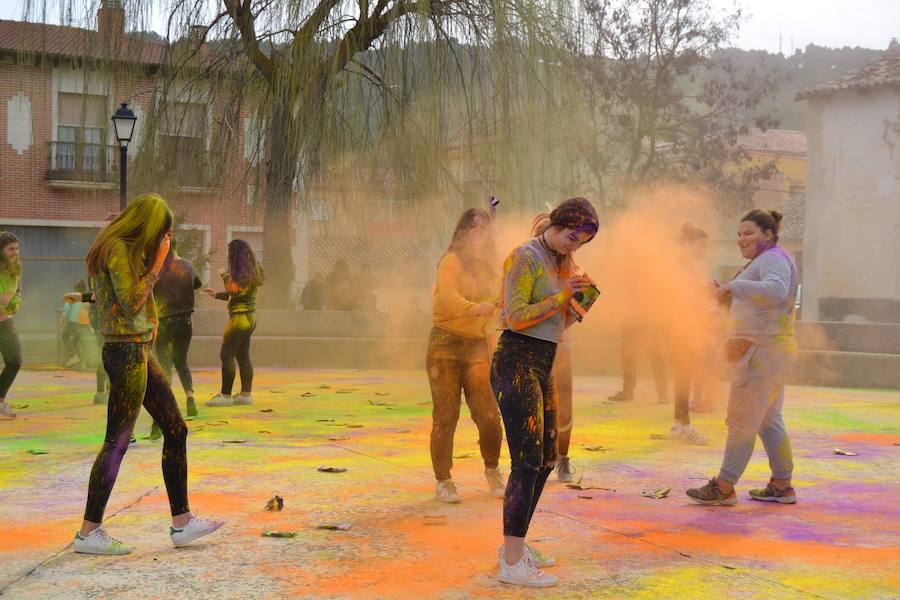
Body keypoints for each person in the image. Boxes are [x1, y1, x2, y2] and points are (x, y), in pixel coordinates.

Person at [75, 194, 223, 555]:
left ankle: (182, 522)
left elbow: (135, 303)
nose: (164, 241)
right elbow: (131, 300)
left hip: (138, 347)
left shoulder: (125, 249)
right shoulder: (116, 248)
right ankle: (88, 532)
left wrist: (153, 321)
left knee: (175, 428)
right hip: (125, 350)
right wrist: (157, 263)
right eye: (163, 233)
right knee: (118, 441)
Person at [493, 197, 599, 587]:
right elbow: (514, 316)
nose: (575, 246)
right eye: (572, 236)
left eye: (582, 242)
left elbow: (560, 325)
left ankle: (515, 544)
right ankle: (512, 560)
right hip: (515, 360)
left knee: (547, 460)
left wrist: (580, 302)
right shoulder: (525, 257)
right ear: (557, 225)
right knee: (525, 461)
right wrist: (560, 295)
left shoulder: (562, 263)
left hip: (544, 360)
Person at [687, 209, 799, 506]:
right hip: (770, 352)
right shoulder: (765, 261)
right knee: (768, 419)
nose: (741, 239)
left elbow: (776, 291)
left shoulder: (773, 258)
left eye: (748, 233)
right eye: (738, 234)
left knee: (742, 420)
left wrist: (733, 287)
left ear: (768, 235)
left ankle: (724, 486)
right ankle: (782, 484)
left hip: (762, 354)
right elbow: (757, 303)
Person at [427, 208, 504, 503]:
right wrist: (473, 309)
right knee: (446, 415)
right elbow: (447, 296)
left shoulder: (490, 269)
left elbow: (498, 304)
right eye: (472, 229)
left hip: (477, 346)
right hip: (444, 345)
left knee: (488, 414)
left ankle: (493, 470)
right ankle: (444, 480)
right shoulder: (450, 262)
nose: (478, 235)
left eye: (484, 230)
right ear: (461, 233)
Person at [531, 215, 577, 483]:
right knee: (535, 403)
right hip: (533, 345)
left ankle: (562, 457)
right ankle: (539, 458)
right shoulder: (529, 264)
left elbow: (568, 318)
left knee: (564, 402)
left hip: (560, 347)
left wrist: (582, 301)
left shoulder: (571, 268)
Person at [148, 238, 204, 440]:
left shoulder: (158, 268)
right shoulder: (187, 265)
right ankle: (190, 398)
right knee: (181, 360)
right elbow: (196, 284)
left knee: (164, 366)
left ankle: (160, 420)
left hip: (165, 321)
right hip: (185, 321)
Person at [665, 223, 713, 445]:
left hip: (686, 325)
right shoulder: (679, 266)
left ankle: (678, 423)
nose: (701, 252)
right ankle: (686, 425)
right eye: (699, 246)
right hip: (679, 327)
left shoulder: (689, 266)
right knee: (684, 376)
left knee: (683, 377)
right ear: (687, 244)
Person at [204, 239, 264, 407]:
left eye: (230, 252)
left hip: (239, 319)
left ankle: (225, 395)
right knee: (242, 354)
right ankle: (245, 394)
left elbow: (234, 290)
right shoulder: (251, 270)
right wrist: (216, 295)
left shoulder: (243, 272)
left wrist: (223, 274)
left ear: (236, 254)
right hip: (250, 318)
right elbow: (238, 294)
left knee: (226, 354)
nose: (228, 256)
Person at [0, 231, 23, 419]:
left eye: (16, 248)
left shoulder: (16, 269)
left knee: (14, 361)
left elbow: (19, 291)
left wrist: (14, 303)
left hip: (5, 321)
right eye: (10, 249)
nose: (15, 252)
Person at [60, 280, 91, 369]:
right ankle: (81, 361)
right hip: (82, 324)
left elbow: (67, 306)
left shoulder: (76, 296)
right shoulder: (85, 297)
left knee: (65, 336)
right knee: (75, 341)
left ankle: (74, 356)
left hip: (75, 322)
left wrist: (63, 317)